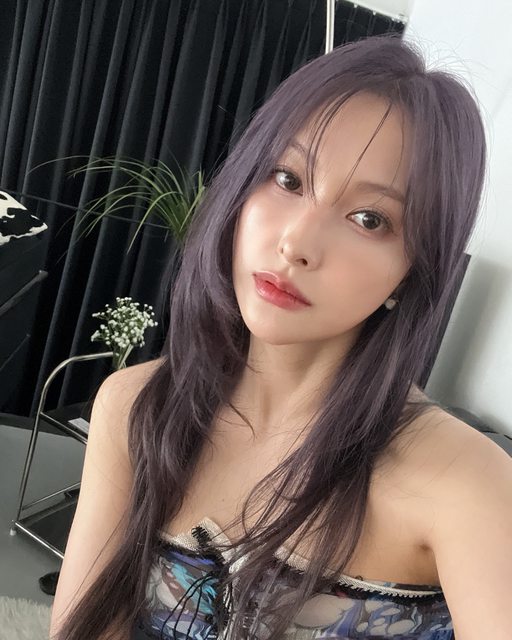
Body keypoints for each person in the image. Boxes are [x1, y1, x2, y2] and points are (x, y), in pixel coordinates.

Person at [49, 34, 512, 639]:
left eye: (369, 219)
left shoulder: (465, 481)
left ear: (414, 270)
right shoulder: (137, 406)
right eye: (288, 179)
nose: (296, 243)